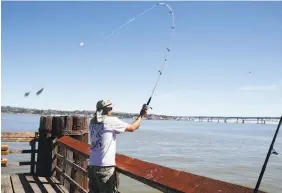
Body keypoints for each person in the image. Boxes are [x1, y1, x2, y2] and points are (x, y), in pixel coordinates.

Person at [87, 99, 148, 193]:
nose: (111, 110)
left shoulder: (92, 122)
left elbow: (118, 130)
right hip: (105, 166)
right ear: (107, 110)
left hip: (92, 165)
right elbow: (132, 128)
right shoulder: (111, 121)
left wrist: (137, 121)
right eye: (110, 108)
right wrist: (141, 116)